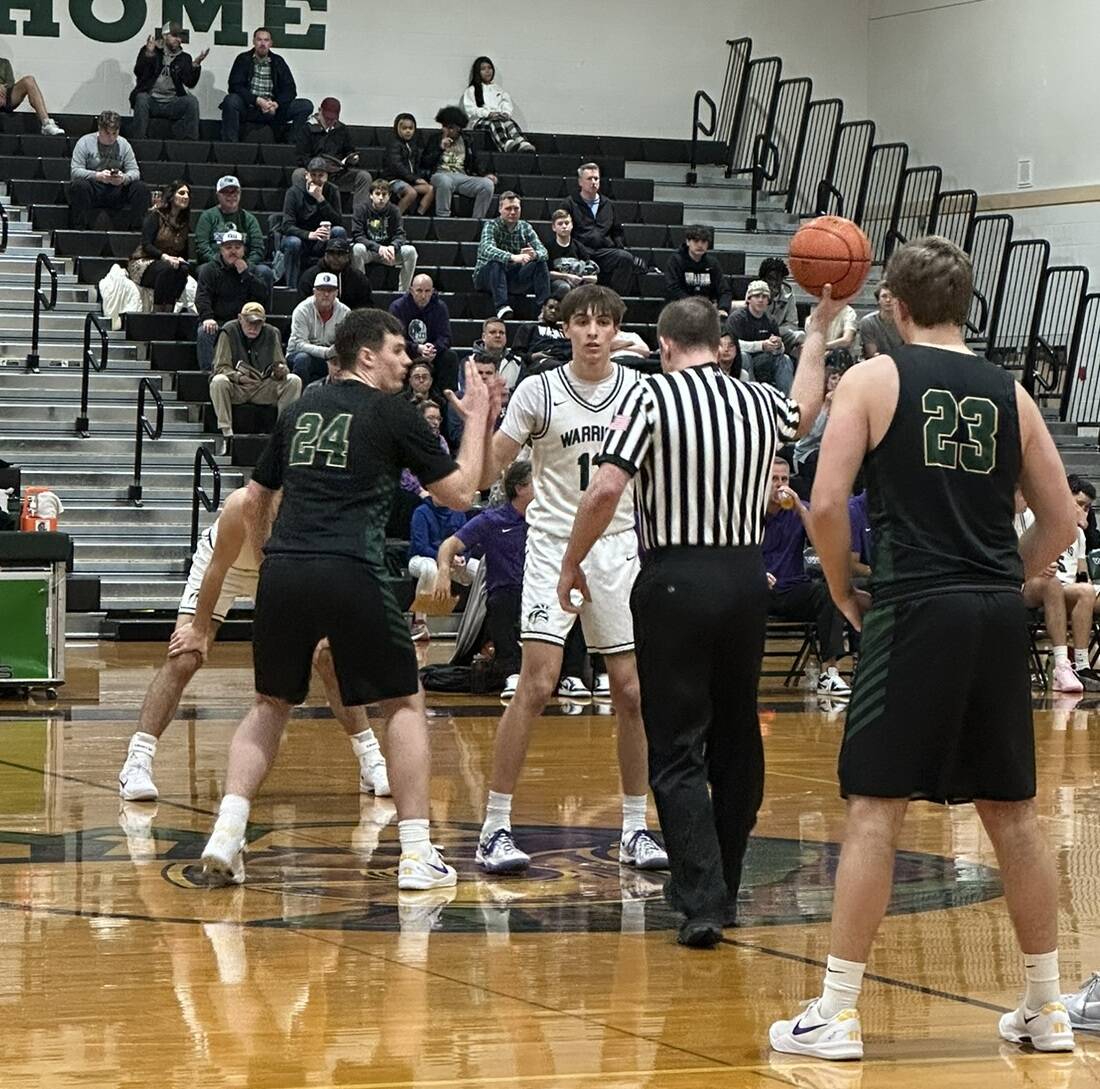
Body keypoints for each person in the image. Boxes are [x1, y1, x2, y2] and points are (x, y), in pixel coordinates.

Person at [768, 236, 1079, 1060]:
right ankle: (1046, 1007)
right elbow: (1062, 520)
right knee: (1012, 810)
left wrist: (839, 586)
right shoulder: (1012, 394)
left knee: (876, 804)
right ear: (966, 305)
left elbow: (827, 500)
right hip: (990, 612)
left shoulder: (874, 376)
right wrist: (1001, 580)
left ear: (895, 308)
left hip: (912, 608)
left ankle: (836, 1009)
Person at [556, 293, 829, 947]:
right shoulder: (759, 399)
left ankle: (701, 896)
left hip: (674, 577)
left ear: (666, 345)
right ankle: (722, 883)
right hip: (743, 579)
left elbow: (606, 488)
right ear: (723, 341)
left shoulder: (651, 397)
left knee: (677, 745)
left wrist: (571, 562)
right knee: (737, 735)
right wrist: (816, 331)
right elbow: (809, 407)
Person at [198, 309, 499, 890]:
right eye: (396, 350)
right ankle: (415, 852)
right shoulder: (394, 413)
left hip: (285, 572)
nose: (407, 360)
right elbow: (463, 494)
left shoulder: (301, 406)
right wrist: (483, 414)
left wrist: (267, 563)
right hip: (351, 567)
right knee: (404, 703)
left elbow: (256, 498)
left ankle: (227, 833)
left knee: (269, 705)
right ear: (366, 355)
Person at [473, 283, 667, 878]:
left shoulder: (641, 390)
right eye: (580, 321)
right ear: (564, 329)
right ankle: (494, 827)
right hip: (555, 545)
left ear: (616, 331)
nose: (591, 331)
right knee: (537, 683)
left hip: (617, 548)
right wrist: (484, 419)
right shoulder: (540, 390)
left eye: (602, 322)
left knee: (631, 692)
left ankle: (635, 827)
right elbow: (487, 470)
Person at [118, 486, 390, 806]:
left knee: (329, 657)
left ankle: (371, 759)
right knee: (185, 657)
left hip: (285, 571)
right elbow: (216, 569)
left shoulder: (319, 508)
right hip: (227, 565)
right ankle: (137, 762)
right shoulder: (241, 506)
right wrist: (200, 630)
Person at [434, 459, 534, 696]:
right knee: (501, 602)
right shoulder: (492, 520)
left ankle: (573, 674)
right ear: (519, 488)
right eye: (536, 483)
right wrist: (443, 571)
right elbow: (450, 544)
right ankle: (512, 672)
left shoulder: (545, 519)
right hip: (506, 592)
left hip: (539, 590)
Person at [763, 456, 852, 694]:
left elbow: (821, 546)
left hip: (793, 588)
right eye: (773, 479)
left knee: (828, 593)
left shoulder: (798, 511)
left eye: (784, 479)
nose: (780, 484)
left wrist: (802, 510)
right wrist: (756, 574)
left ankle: (829, 673)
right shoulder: (747, 512)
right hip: (758, 590)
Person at [208, 302, 301, 445]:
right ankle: (226, 432)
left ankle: (283, 432)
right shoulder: (228, 331)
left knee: (293, 380)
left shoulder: (271, 332)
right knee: (218, 381)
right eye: (249, 322)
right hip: (237, 387)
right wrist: (239, 377)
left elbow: (281, 363)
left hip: (262, 386)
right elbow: (220, 367)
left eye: (258, 323)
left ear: (263, 322)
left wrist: (280, 370)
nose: (253, 327)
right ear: (240, 318)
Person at [566, 163, 649, 296]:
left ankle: (614, 299)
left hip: (603, 251)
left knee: (625, 258)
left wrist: (619, 246)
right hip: (580, 252)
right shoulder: (569, 203)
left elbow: (617, 231)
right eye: (589, 179)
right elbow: (563, 228)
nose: (593, 182)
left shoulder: (608, 204)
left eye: (596, 179)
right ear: (580, 182)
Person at [195, 230, 271, 372]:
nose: (233, 252)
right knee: (204, 332)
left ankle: (261, 373)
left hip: (244, 322)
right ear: (221, 250)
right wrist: (207, 318)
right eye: (228, 248)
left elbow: (263, 295)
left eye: (237, 247)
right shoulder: (210, 269)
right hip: (217, 320)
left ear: (243, 250)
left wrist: (246, 275)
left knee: (268, 331)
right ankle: (208, 374)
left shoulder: (252, 270)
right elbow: (202, 296)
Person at [221, 27, 312, 144]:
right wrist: (257, 100)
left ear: (271, 43)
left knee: (305, 105)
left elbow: (290, 90)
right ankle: (230, 145)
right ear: (253, 42)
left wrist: (276, 104)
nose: (263, 43)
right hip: (250, 106)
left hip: (273, 109)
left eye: (266, 40)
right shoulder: (243, 59)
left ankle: (292, 146)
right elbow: (234, 86)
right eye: (259, 40)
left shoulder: (278, 61)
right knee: (230, 100)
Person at [474, 192, 550, 320]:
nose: (513, 212)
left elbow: (544, 252)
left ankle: (543, 309)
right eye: (508, 208)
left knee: (540, 263)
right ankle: (502, 307)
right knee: (496, 262)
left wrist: (534, 255)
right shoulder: (491, 225)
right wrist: (512, 257)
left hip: (512, 277)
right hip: (487, 277)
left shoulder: (525, 227)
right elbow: (486, 248)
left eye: (516, 208)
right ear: (500, 209)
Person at [69, 110, 149, 230]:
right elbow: (75, 171)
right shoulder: (85, 142)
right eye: (107, 133)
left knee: (140, 188)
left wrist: (123, 178)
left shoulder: (123, 144)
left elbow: (135, 171)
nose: (111, 138)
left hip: (116, 188)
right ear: (99, 129)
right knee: (79, 185)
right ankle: (79, 228)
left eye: (115, 133)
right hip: (94, 188)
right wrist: (98, 175)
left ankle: (137, 230)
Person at [407, 494, 475, 635]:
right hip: (422, 558)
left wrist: (463, 558)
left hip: (453, 561)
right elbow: (421, 546)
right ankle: (419, 622)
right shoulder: (421, 512)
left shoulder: (459, 513)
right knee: (429, 568)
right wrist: (446, 559)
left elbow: (467, 543)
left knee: (481, 569)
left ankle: (480, 626)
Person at [193, 176, 274, 291]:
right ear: (218, 195)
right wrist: (222, 263)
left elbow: (258, 249)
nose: (231, 196)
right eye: (226, 192)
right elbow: (202, 247)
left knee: (265, 272)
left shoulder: (249, 219)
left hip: (243, 264)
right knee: (204, 270)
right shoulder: (208, 217)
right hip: (216, 265)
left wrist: (246, 265)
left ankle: (262, 309)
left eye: (235, 192)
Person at [278, 158, 349, 288]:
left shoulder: (332, 190)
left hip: (323, 240)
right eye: (313, 175)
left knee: (339, 232)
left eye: (321, 175)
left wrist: (321, 199)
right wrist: (309, 234)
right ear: (306, 175)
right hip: (302, 238)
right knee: (293, 242)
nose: (316, 179)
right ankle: (291, 289)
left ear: (327, 176)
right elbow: (287, 225)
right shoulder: (294, 192)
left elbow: (338, 221)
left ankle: (338, 284)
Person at [293, 97, 371, 213]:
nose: (329, 122)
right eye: (327, 118)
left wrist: (352, 158)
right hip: (315, 174)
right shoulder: (307, 129)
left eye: (333, 119)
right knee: (298, 174)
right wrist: (318, 166)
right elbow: (301, 157)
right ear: (320, 111)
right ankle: (302, 212)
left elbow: (349, 149)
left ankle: (359, 216)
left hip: (337, 173)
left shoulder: (341, 130)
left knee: (364, 177)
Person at [130, 22, 206, 141]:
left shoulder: (184, 58)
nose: (179, 40)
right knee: (141, 98)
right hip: (152, 100)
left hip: (172, 102)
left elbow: (190, 83)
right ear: (165, 36)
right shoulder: (151, 51)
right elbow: (139, 72)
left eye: (180, 37)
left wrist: (196, 65)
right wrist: (149, 55)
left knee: (191, 102)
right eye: (175, 36)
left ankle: (191, 144)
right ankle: (139, 141)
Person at [128, 179, 191, 313]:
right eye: (182, 193)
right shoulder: (155, 215)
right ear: (171, 195)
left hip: (169, 262)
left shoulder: (184, 223)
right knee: (166, 269)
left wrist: (179, 259)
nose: (186, 196)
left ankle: (169, 309)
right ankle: (157, 312)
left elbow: (184, 251)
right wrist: (165, 257)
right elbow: (146, 245)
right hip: (145, 261)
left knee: (183, 269)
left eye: (188, 194)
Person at [422, 105, 496, 220]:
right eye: (444, 127)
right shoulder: (435, 139)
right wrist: (440, 148)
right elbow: (425, 163)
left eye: (451, 127)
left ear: (459, 128)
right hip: (440, 174)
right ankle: (443, 219)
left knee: (487, 185)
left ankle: (477, 221)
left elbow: (476, 162)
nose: (447, 130)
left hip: (462, 176)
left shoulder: (467, 140)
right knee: (445, 181)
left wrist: (486, 174)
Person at [388, 275, 458, 394]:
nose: (423, 295)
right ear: (411, 290)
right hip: (407, 353)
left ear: (433, 291)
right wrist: (417, 348)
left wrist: (433, 349)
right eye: (419, 291)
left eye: (427, 291)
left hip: (432, 354)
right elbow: (394, 338)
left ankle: (447, 401)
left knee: (450, 357)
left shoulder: (440, 307)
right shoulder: (397, 307)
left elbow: (445, 337)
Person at [728, 280, 795, 393]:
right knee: (744, 356)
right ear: (749, 299)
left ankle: (787, 399)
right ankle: (752, 395)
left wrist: (778, 345)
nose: (761, 299)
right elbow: (733, 345)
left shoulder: (771, 320)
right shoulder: (737, 318)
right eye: (757, 296)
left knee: (785, 359)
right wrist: (761, 346)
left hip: (763, 360)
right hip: (743, 360)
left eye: (764, 296)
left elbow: (779, 348)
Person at [352, 179, 419, 292]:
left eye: (384, 194)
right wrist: (378, 248)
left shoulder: (394, 211)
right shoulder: (361, 210)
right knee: (357, 249)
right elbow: (358, 236)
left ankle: (403, 292)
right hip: (370, 251)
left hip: (389, 253)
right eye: (377, 194)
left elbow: (400, 235)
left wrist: (393, 246)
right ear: (371, 195)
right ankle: (360, 289)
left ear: (389, 196)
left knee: (411, 251)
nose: (381, 197)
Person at [461, 56, 535, 153]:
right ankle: (505, 144)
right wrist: (488, 114)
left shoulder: (498, 89)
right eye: (483, 69)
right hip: (480, 121)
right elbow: (470, 109)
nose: (487, 71)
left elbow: (505, 102)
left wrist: (505, 113)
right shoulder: (472, 90)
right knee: (495, 123)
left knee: (510, 122)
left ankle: (522, 142)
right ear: (477, 72)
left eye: (489, 68)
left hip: (498, 118)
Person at [287, 272, 351, 384]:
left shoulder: (345, 312)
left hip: (332, 357)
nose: (326, 294)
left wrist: (333, 357)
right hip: (300, 355)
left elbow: (346, 343)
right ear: (314, 292)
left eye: (330, 290)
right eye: (321, 290)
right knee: (303, 359)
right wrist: (326, 352)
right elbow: (299, 344)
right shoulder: (302, 310)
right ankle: (302, 399)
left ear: (337, 293)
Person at [663, 225, 731, 316]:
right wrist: (694, 305)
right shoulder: (675, 261)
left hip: (706, 311)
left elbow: (724, 290)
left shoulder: (713, 263)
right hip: (680, 310)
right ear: (688, 242)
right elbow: (672, 288)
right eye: (696, 241)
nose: (700, 245)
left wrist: (723, 308)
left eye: (703, 242)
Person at [299, 236, 373, 309]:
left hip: (350, 318)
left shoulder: (358, 278)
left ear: (348, 256)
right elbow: (304, 305)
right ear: (325, 255)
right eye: (331, 253)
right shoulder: (310, 276)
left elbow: (365, 307)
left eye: (340, 253)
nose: (336, 258)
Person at [382, 113, 434, 216]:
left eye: (411, 128)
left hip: (409, 181)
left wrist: (418, 178)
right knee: (411, 193)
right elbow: (397, 166)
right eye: (404, 128)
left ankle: (419, 214)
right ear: (398, 129)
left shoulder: (413, 145)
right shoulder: (394, 144)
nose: (408, 131)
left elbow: (416, 165)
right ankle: (395, 218)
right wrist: (415, 179)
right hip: (394, 180)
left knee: (431, 189)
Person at [0, 55, 63, 135]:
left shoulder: (4, 63)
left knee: (29, 80)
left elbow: (10, 83)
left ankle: (46, 124)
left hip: (4, 96)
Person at [546, 208, 599, 300]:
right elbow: (546, 273)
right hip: (557, 283)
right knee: (564, 287)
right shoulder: (548, 247)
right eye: (560, 224)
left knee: (591, 289)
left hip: (578, 282)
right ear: (554, 227)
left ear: (572, 225)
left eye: (567, 223)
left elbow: (594, 277)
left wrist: (581, 278)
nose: (564, 226)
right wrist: (567, 276)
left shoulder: (579, 247)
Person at [513, 297, 569, 368]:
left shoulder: (564, 332)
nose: (553, 311)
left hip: (564, 364)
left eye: (557, 309)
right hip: (537, 365)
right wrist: (532, 356)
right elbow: (516, 353)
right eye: (550, 307)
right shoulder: (528, 328)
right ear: (543, 308)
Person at [471, 317, 522, 389]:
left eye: (502, 333)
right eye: (493, 332)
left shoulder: (517, 363)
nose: (498, 335)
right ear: (483, 337)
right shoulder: (469, 362)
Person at [859, 281, 903, 359]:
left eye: (892, 296)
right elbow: (872, 353)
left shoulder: (906, 321)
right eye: (884, 296)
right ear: (878, 300)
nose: (888, 300)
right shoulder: (868, 322)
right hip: (877, 362)